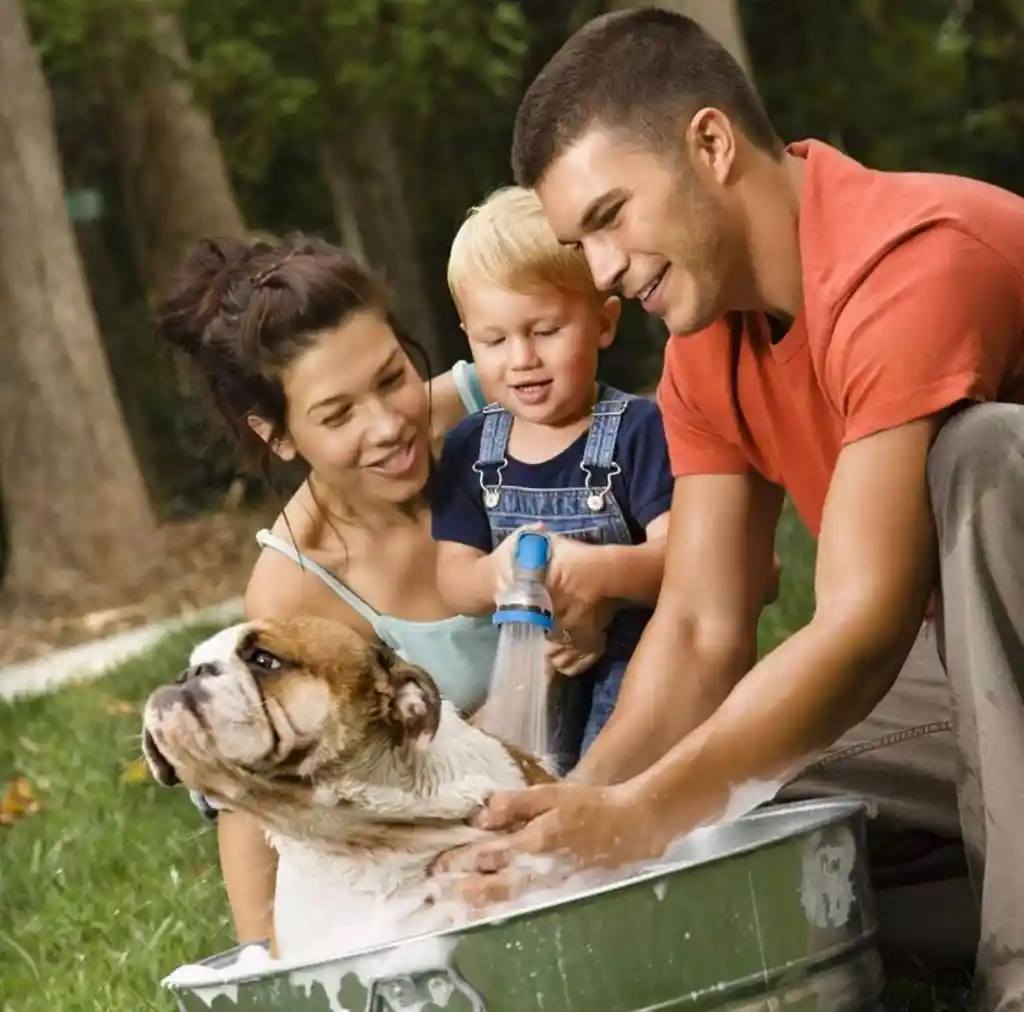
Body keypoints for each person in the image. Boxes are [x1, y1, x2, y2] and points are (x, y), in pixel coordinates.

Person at [430, 8, 1024, 1010]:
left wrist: (645, 812)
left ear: (708, 143)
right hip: (992, 674)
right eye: (582, 241)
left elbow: (865, 623)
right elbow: (704, 631)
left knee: (984, 456)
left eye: (612, 215)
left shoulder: (907, 257)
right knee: (750, 796)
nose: (605, 268)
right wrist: (586, 811)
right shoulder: (705, 343)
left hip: (984, 647)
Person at [154, 233, 599, 948]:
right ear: (279, 435)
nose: (390, 426)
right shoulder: (298, 587)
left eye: (392, 378)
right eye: (337, 416)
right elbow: (261, 790)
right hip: (503, 843)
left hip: (642, 731)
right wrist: (266, 953)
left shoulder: (504, 396)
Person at [432, 185, 674, 771]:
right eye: (494, 340)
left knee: (615, 779)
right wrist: (498, 571)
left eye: (545, 331)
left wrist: (599, 572)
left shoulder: (638, 431)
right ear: (468, 336)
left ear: (604, 323)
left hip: (637, 669)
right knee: (529, 781)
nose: (521, 359)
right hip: (533, 671)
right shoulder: (471, 447)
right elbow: (454, 580)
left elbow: (685, 556)